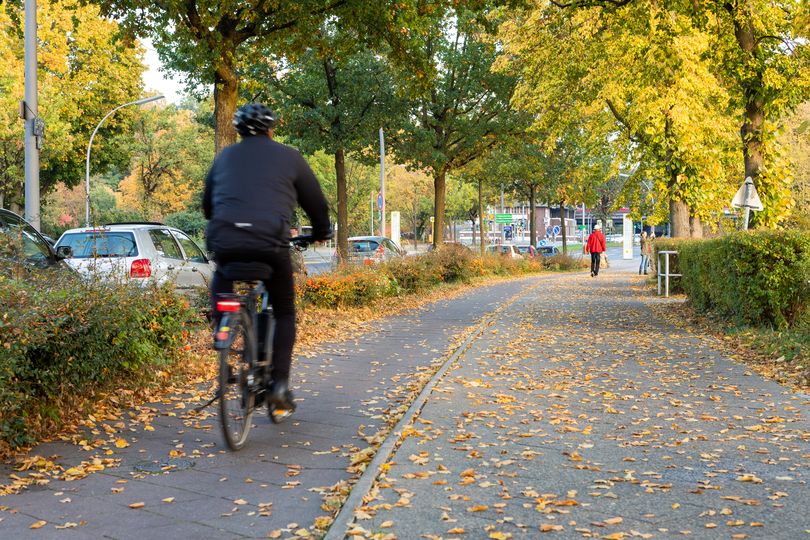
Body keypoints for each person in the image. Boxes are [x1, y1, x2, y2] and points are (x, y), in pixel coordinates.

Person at [203, 102, 332, 411]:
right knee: (285, 311)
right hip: (269, 244)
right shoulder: (290, 157)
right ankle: (280, 384)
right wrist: (320, 232)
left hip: (227, 241)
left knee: (222, 279)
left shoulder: (223, 158)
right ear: (271, 129)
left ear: (237, 131)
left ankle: (223, 331)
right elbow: (316, 203)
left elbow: (207, 205)